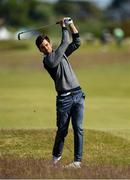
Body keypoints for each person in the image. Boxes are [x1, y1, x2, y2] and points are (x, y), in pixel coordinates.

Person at [35, 17, 85, 169]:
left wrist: (71, 25)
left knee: (78, 128)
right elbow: (64, 43)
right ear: (40, 50)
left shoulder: (60, 53)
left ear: (50, 43)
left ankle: (77, 162)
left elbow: (76, 43)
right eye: (43, 47)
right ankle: (55, 158)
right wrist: (63, 27)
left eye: (47, 44)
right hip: (64, 99)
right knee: (62, 130)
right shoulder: (49, 61)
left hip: (78, 95)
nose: (46, 48)